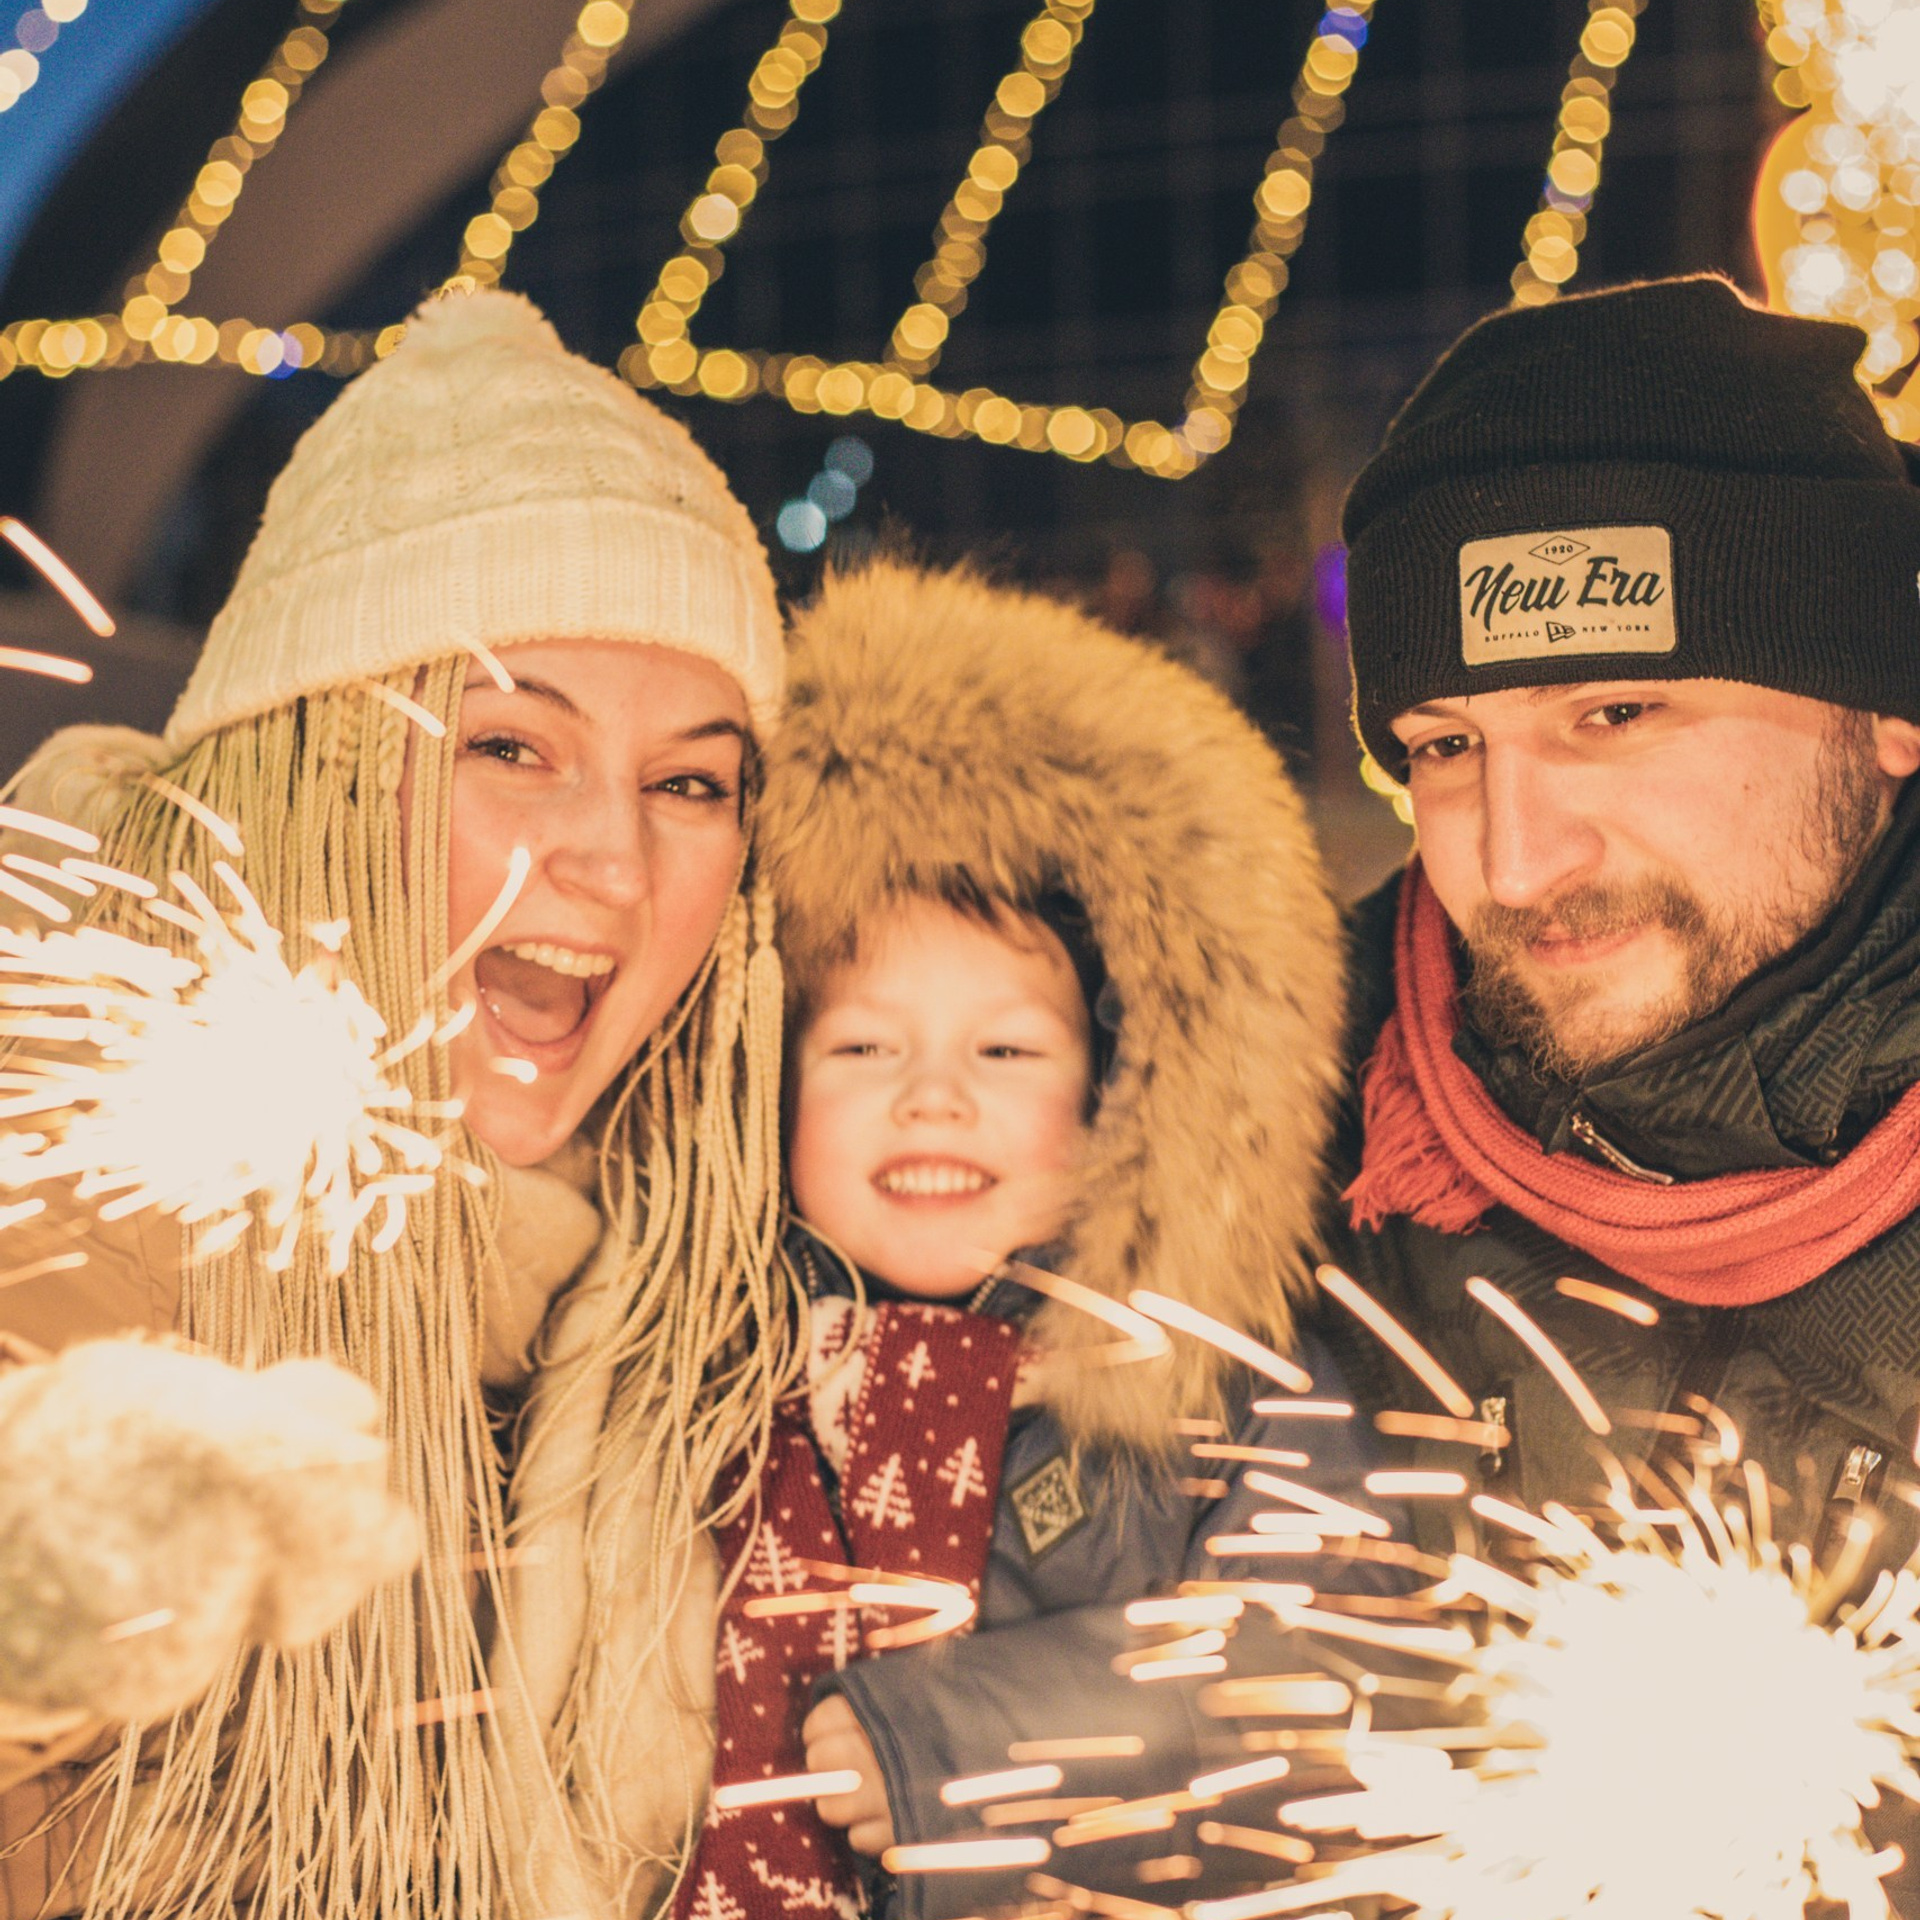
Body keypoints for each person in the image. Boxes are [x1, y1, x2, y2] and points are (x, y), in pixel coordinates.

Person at [0, 289, 793, 1920]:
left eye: (692, 782)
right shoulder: (73, 1159)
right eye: (513, 745)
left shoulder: (707, 1256)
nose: (617, 860)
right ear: (316, 770)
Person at [1323, 274, 1920, 1900]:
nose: (1517, 861)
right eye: (1444, 747)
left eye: (1615, 710)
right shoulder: (1280, 1142)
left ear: (1883, 709)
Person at [692, 559, 1389, 1920]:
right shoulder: (709, 1391)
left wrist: (960, 1739)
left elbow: (1314, 1672)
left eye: (1005, 1048)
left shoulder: (1217, 1384)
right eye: (863, 1045)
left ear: (1119, 1098)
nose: (931, 1093)